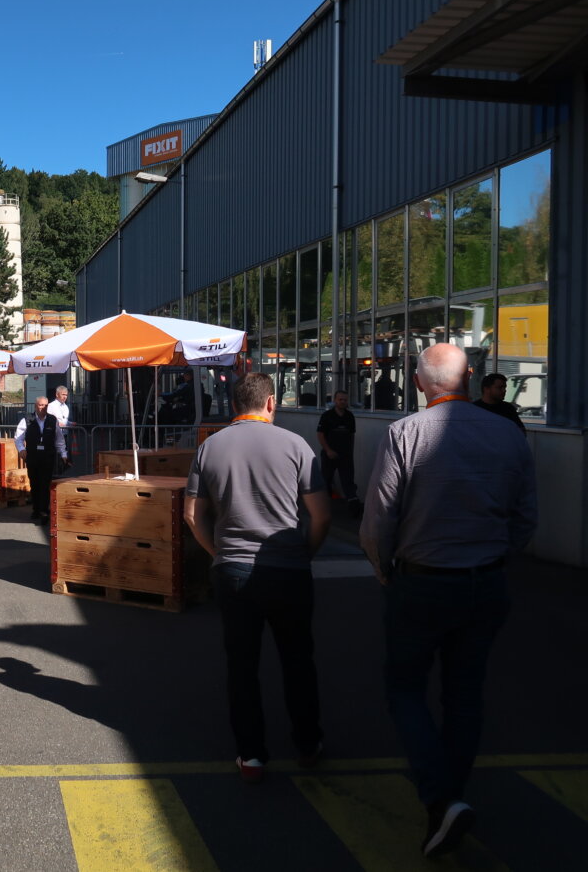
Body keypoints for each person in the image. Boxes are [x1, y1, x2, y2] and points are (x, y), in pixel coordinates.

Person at [360, 343, 536, 858]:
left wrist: (383, 568)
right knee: (465, 694)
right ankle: (450, 800)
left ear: (419, 384)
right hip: (486, 581)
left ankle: (441, 799)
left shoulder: (405, 433)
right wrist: (497, 556)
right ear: (470, 377)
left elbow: (379, 519)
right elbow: (526, 516)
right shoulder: (508, 433)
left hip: (422, 581)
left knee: (405, 688)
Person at [184, 373, 330, 784]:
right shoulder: (296, 446)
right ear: (270, 403)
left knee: (242, 665)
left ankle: (251, 755)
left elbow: (192, 515)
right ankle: (307, 743)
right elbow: (321, 516)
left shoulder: (209, 447)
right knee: (297, 660)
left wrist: (219, 554)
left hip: (234, 569)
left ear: (234, 405)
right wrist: (303, 553)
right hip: (288, 569)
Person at [15, 396, 67, 523]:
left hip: (47, 456)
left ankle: (44, 511)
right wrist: (21, 449)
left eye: (45, 405)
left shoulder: (52, 420)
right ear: (35, 406)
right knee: (34, 483)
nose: (43, 407)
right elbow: (18, 438)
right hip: (33, 456)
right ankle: (36, 509)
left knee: (45, 483)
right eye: (41, 405)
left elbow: (59, 439)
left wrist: (63, 453)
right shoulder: (27, 420)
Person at [316, 390, 361, 517]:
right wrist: (328, 450)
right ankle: (322, 509)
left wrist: (350, 453)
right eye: (340, 399)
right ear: (335, 400)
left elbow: (352, 436)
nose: (342, 402)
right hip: (329, 455)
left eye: (345, 400)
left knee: (348, 482)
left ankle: (354, 511)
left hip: (345, 456)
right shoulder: (327, 416)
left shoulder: (350, 416)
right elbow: (320, 434)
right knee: (326, 481)